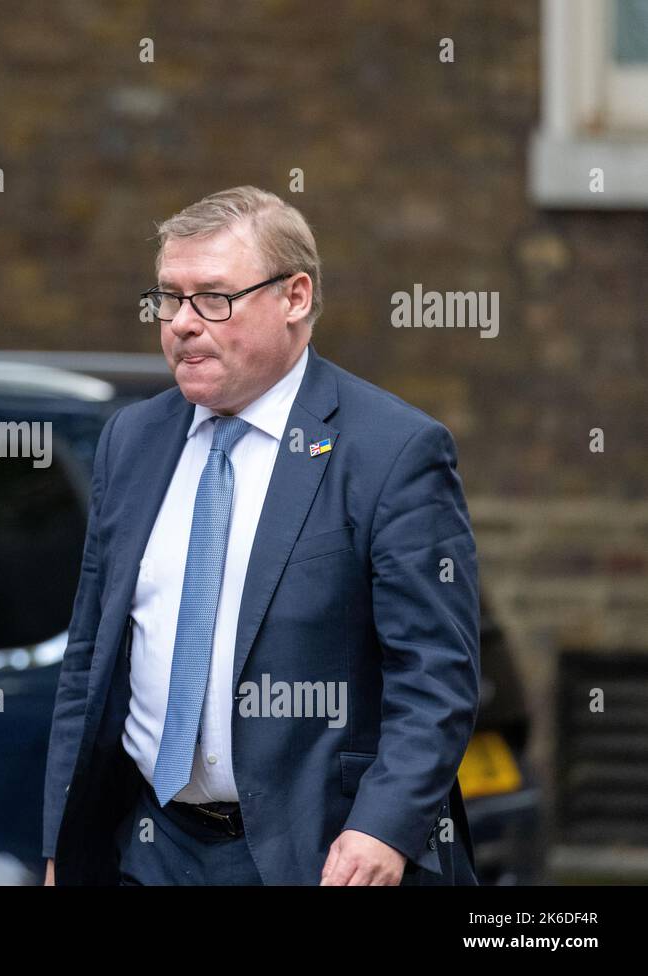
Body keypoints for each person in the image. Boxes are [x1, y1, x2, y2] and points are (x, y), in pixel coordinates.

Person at [41, 186, 479, 885]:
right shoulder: (134, 439)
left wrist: (382, 827)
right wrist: (64, 844)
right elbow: (91, 658)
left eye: (214, 297)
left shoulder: (391, 451)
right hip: (149, 847)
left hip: (312, 853)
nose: (183, 323)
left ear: (295, 298)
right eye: (169, 298)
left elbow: (435, 673)